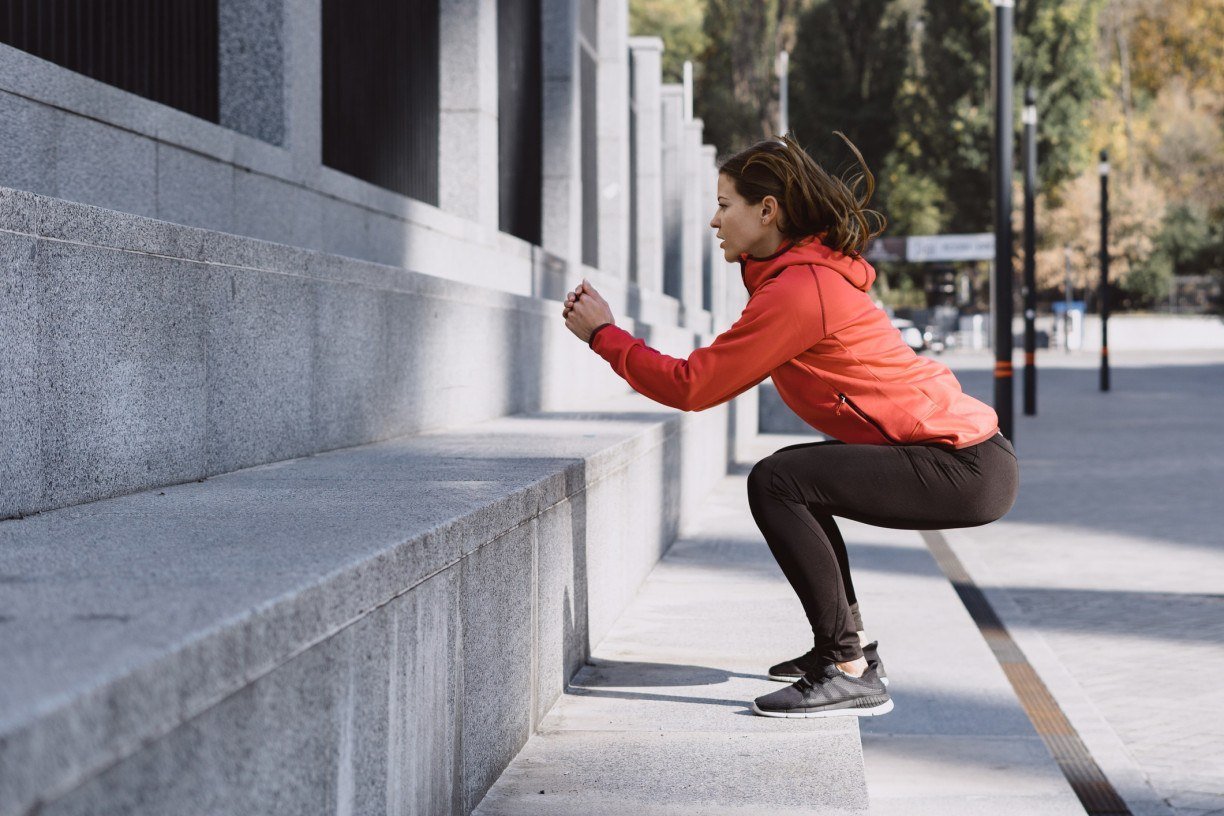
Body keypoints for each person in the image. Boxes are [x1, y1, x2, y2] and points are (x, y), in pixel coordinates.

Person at [561, 133, 1018, 719]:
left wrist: (605, 335)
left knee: (780, 480)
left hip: (964, 465)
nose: (714, 220)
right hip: (964, 459)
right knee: (799, 479)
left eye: (726, 204)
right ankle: (849, 653)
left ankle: (848, 666)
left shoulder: (800, 291)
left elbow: (693, 386)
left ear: (767, 210)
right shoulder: (793, 281)